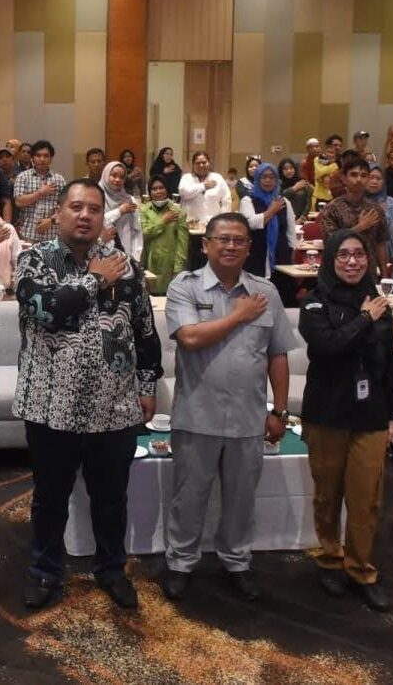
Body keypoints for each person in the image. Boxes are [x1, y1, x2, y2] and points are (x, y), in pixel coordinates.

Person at [14, 178, 162, 610]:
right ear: (57, 213)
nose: (85, 216)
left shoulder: (125, 265)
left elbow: (144, 329)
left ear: (102, 217)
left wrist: (147, 385)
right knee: (50, 497)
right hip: (50, 404)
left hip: (114, 406)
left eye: (94, 209)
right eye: (76, 207)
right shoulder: (33, 260)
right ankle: (45, 570)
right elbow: (44, 309)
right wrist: (95, 280)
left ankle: (112, 569)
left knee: (111, 498)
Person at [161, 213, 296, 602]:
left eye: (239, 240)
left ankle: (237, 562)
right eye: (223, 239)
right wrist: (239, 315)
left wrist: (280, 410)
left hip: (247, 418)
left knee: (241, 500)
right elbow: (189, 337)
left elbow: (278, 354)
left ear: (249, 248)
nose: (231, 246)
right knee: (188, 498)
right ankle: (180, 563)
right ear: (205, 244)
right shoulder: (185, 286)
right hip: (196, 415)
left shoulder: (265, 292)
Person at [298, 229, 393, 612]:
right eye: (343, 254)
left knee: (366, 498)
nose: (352, 261)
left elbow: (391, 362)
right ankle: (329, 559)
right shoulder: (314, 302)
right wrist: (364, 318)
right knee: (328, 494)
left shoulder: (379, 302)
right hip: (327, 412)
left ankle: (360, 569)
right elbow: (328, 346)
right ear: (330, 259)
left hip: (371, 413)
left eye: (359, 254)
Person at [318, 158, 390, 274]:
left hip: (368, 273)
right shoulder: (332, 208)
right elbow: (331, 242)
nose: (359, 180)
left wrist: (384, 275)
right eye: (354, 175)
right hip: (339, 272)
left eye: (364, 175)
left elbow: (381, 243)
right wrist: (359, 227)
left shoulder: (375, 210)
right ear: (344, 178)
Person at [239, 163, 298, 296]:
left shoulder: (284, 202)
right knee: (256, 295)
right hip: (256, 254)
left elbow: (290, 231)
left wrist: (292, 252)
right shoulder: (248, 200)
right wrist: (271, 211)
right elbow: (250, 224)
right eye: (264, 177)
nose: (268, 180)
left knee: (281, 293)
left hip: (280, 255)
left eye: (272, 177)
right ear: (257, 179)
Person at [140, 175, 187, 295]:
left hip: (169, 265)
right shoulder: (144, 210)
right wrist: (162, 222)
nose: (158, 191)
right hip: (148, 262)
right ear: (149, 191)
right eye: (154, 189)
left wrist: (178, 269)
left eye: (161, 187)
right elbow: (143, 234)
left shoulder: (177, 211)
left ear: (167, 189)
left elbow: (182, 243)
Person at [13, 140, 66, 244]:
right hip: (28, 234)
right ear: (32, 158)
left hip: (53, 235)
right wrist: (40, 193)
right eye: (38, 155)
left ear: (51, 158)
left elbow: (65, 206)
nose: (42, 159)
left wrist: (51, 220)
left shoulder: (59, 179)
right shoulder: (23, 177)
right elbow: (19, 202)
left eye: (46, 156)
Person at [100, 161, 143, 262]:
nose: (117, 180)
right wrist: (119, 211)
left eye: (122, 177)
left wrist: (136, 256)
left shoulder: (130, 199)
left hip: (127, 255)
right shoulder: (97, 197)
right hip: (103, 255)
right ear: (106, 175)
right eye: (114, 175)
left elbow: (136, 230)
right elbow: (97, 222)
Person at [178, 151, 232, 227]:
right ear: (193, 165)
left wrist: (222, 220)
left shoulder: (217, 178)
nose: (201, 165)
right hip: (191, 224)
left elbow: (226, 200)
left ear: (209, 163)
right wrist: (203, 186)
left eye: (204, 162)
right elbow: (184, 193)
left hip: (213, 224)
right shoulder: (187, 178)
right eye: (197, 163)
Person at [312, 138, 341, 207]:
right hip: (319, 196)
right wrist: (334, 165)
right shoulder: (318, 159)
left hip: (332, 197)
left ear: (335, 155)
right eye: (328, 152)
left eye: (332, 153)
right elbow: (319, 172)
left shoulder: (339, 164)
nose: (329, 154)